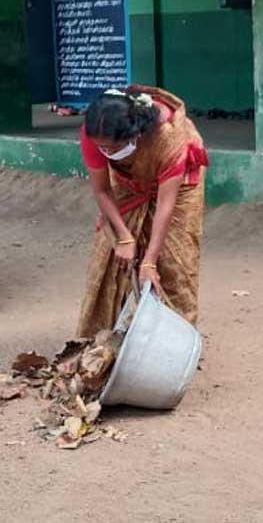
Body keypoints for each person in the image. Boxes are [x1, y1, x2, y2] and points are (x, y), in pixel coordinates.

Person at [76, 85, 209, 337]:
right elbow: (102, 191)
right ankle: (112, 332)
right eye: (103, 148)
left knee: (174, 260)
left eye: (114, 149)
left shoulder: (168, 139)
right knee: (112, 254)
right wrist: (124, 237)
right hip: (129, 181)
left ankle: (177, 340)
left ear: (134, 135)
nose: (107, 153)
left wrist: (149, 261)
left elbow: (165, 205)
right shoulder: (94, 134)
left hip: (180, 186)